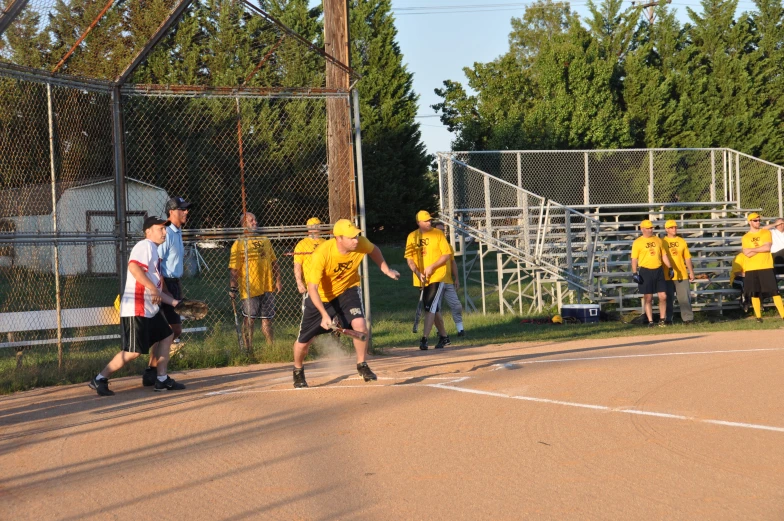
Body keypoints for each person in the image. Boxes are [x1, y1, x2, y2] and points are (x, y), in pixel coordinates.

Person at [292, 219, 400, 388]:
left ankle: (362, 364)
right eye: (351, 237)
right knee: (304, 342)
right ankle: (298, 371)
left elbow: (374, 250)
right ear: (338, 238)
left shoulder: (360, 244)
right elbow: (312, 288)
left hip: (347, 290)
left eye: (356, 236)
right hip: (321, 296)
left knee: (360, 325)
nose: (355, 240)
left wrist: (386, 269)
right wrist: (324, 315)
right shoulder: (322, 254)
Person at [89, 216, 185, 396]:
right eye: (160, 229)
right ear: (148, 231)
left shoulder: (154, 251)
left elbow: (155, 288)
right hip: (137, 307)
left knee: (167, 335)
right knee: (132, 352)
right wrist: (152, 289)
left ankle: (162, 379)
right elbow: (134, 268)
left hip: (150, 309)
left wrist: (175, 303)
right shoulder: (145, 246)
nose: (164, 232)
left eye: (165, 229)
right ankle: (100, 378)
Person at [142, 196, 191, 387]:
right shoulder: (167, 234)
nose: (186, 212)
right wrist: (166, 291)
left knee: (170, 330)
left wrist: (177, 288)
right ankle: (154, 371)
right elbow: (157, 264)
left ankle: (152, 371)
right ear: (171, 212)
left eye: (186, 209)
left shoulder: (177, 232)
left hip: (173, 283)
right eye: (182, 209)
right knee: (172, 330)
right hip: (164, 283)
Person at [228, 212, 282, 348]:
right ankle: (248, 348)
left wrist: (278, 280)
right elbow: (234, 269)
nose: (255, 223)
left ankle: (271, 347)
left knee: (267, 320)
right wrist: (233, 287)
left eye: (255, 220)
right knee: (249, 320)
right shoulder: (239, 244)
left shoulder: (264, 240)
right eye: (251, 221)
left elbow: (274, 262)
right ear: (244, 224)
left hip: (267, 286)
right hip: (250, 287)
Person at [405, 210, 453, 350]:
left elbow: (446, 255)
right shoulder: (412, 236)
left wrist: (432, 266)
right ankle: (444, 337)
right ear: (418, 222)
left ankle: (424, 338)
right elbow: (410, 259)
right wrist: (417, 272)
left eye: (430, 220)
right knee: (433, 308)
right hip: (421, 278)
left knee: (430, 307)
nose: (429, 222)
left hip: (437, 275)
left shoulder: (438, 234)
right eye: (425, 221)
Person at [741, 212, 784, 322]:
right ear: (750, 222)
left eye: (759, 220)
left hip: (765, 265)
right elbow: (747, 253)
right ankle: (758, 316)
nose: (758, 222)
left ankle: (783, 315)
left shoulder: (765, 233)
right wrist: (759, 249)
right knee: (754, 292)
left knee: (774, 291)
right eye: (755, 220)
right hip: (751, 267)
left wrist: (753, 249)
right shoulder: (746, 237)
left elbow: (767, 248)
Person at [630, 219, 672, 327]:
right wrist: (634, 272)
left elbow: (663, 255)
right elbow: (634, 259)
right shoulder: (638, 242)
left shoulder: (658, 240)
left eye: (651, 228)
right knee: (648, 298)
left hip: (658, 269)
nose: (650, 230)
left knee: (663, 296)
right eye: (648, 228)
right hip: (646, 271)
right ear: (642, 229)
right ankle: (650, 321)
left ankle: (662, 319)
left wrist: (670, 267)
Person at [434, 221, 465, 336]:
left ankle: (460, 329)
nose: (442, 232)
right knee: (436, 308)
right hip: (436, 281)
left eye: (443, 230)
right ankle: (439, 331)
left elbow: (452, 263)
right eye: (439, 230)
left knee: (456, 305)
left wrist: (456, 278)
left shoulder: (448, 246)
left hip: (448, 281)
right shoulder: (432, 247)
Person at [662, 220, 695, 325]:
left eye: (675, 227)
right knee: (668, 298)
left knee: (684, 298)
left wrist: (691, 271)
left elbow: (687, 258)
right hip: (668, 274)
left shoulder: (681, 241)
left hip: (681, 273)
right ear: (666, 229)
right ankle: (668, 319)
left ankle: (687, 319)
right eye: (671, 227)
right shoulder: (662, 242)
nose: (674, 229)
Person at [293, 217, 325, 298]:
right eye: (315, 226)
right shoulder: (302, 244)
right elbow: (297, 265)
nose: (318, 228)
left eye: (319, 225)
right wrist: (299, 283)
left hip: (326, 284)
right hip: (311, 285)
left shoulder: (326, 242)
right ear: (308, 228)